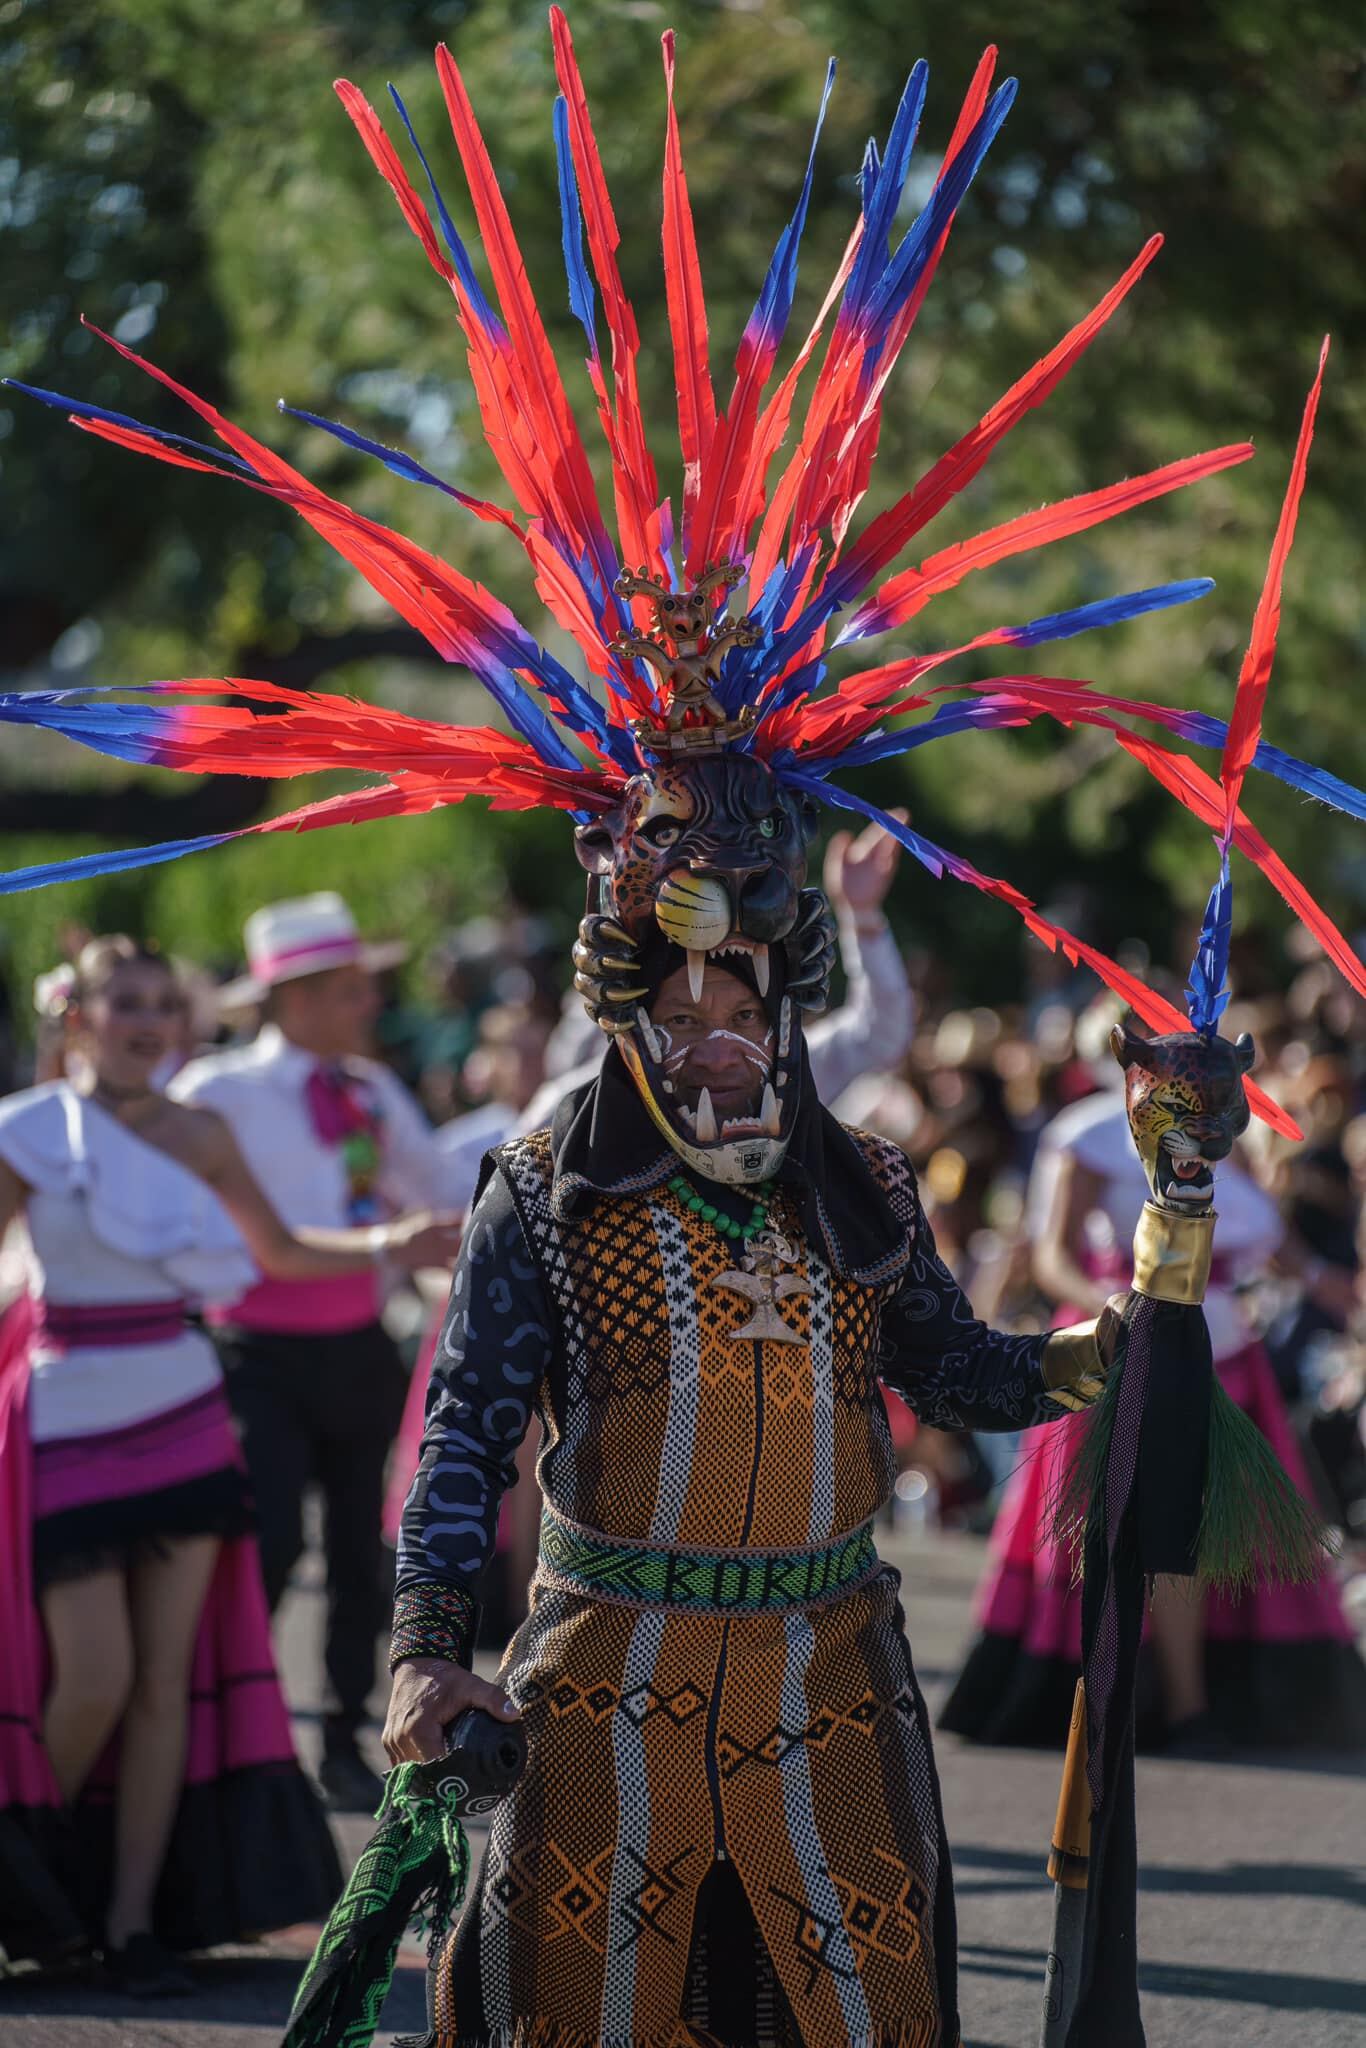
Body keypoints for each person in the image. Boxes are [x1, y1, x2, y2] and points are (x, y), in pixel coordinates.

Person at [383, 902, 1110, 2040]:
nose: (716, 1039)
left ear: (782, 1023)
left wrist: (1100, 1350)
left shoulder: (865, 1176)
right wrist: (425, 1647)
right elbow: (467, 1432)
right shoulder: (537, 1188)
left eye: (739, 1011)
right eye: (678, 1014)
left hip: (833, 1669)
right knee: (567, 2013)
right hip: (605, 1667)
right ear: (627, 1025)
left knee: (881, 2013)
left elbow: (959, 1372)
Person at [0, 935, 456, 1996]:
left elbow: (281, 1249)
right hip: (68, 1407)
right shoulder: (26, 1132)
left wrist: (397, 1240)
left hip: (182, 1405)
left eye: (167, 999)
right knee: (94, 1674)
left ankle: (125, 1924)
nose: (149, 1018)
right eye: (127, 1001)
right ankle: (29, 1884)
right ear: (80, 1016)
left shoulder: (200, 1130)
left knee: (165, 1684)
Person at [940, 1073, 1366, 1754]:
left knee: (1196, 1528)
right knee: (1134, 1528)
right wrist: (1115, 1311)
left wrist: (1333, 1287)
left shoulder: (1227, 1126)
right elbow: (1052, 1254)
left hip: (1223, 1357)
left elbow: (1269, 1237)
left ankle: (1193, 1703)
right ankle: (1139, 1702)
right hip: (1121, 1352)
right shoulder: (1085, 1133)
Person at [170, 892, 472, 1811]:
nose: (368, 1005)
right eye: (350, 989)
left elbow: (446, 1183)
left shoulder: (369, 1091)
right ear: (295, 995)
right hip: (251, 1348)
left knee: (356, 1552)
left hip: (353, 1349)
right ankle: (223, 1736)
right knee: (262, 1543)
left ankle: (341, 1736)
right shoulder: (213, 1092)